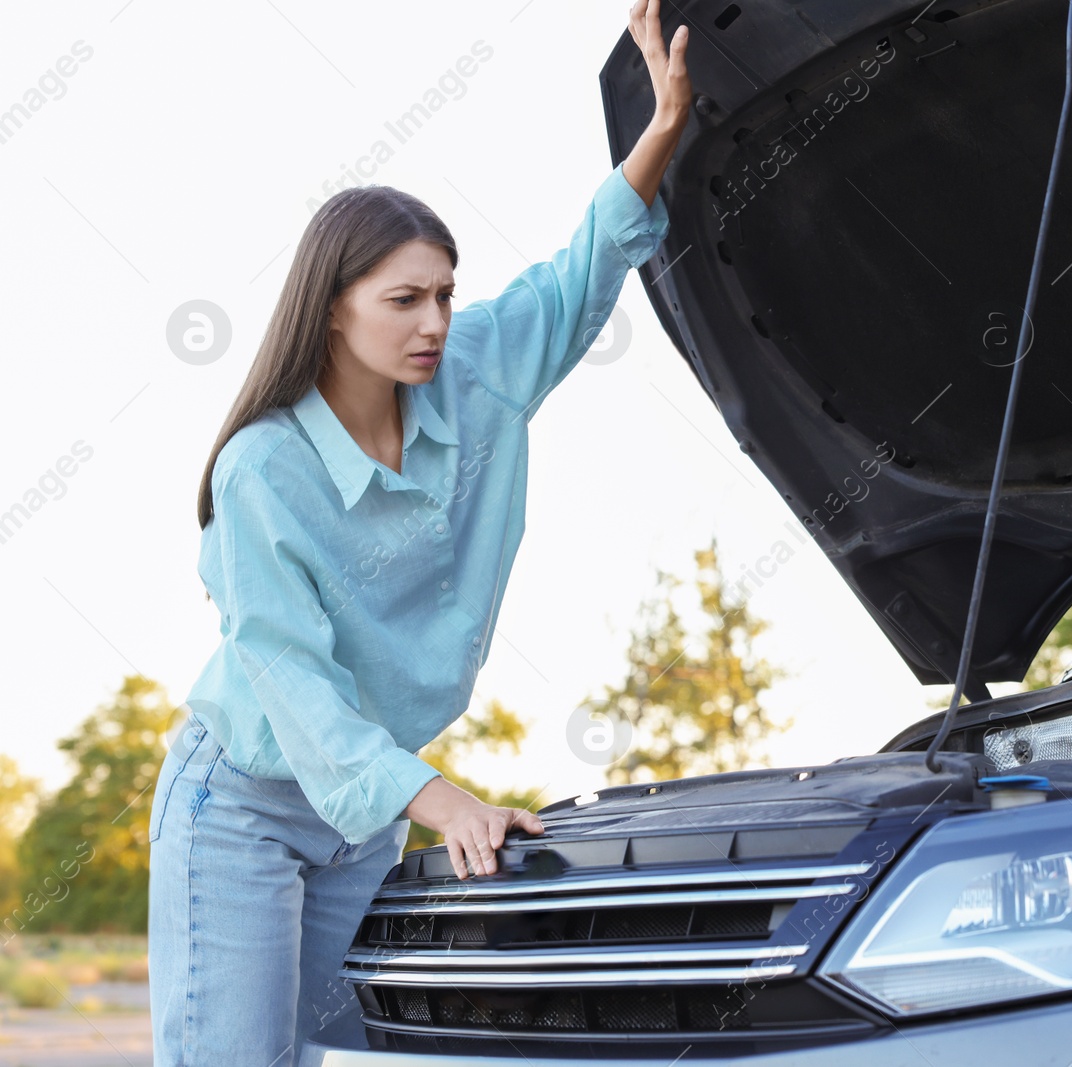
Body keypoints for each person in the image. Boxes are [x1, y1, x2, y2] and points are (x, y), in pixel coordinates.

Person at [144, 4, 691, 1063]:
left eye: (445, 293)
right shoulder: (263, 468)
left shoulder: (478, 372)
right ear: (333, 308)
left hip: (366, 809)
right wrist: (445, 801)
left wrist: (661, 130)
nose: (435, 321)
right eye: (404, 299)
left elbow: (581, 274)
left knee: (350, 1057)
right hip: (246, 803)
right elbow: (296, 689)